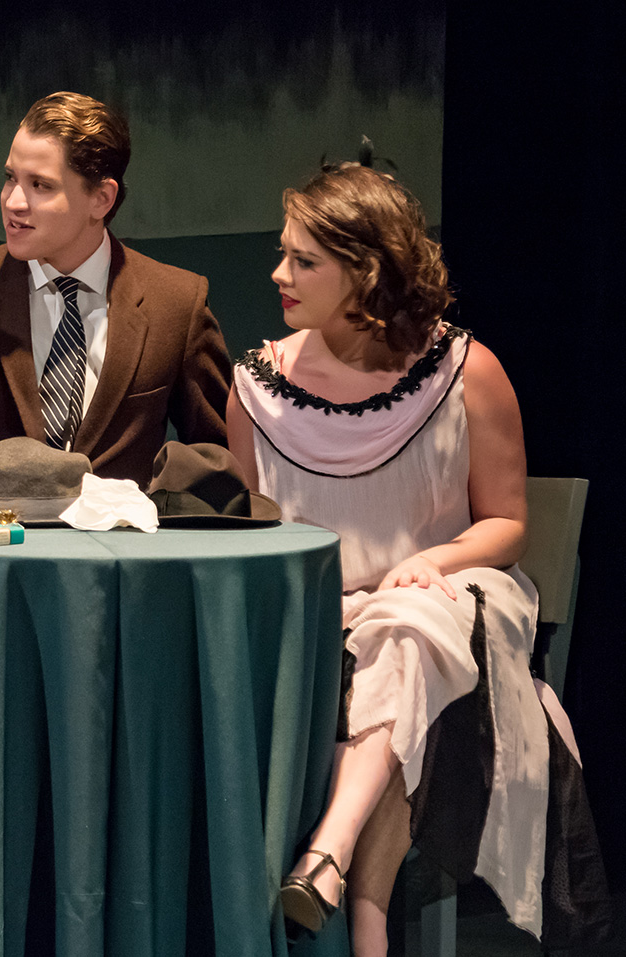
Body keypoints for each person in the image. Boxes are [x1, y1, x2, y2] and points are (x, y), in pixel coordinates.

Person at [226, 164, 607, 953]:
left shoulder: (468, 373)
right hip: (328, 621)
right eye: (282, 253)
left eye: (303, 260)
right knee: (385, 661)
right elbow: (258, 538)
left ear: (364, 273)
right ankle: (364, 923)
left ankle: (329, 856)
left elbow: (506, 525)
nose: (278, 274)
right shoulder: (256, 389)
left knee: (404, 624)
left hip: (458, 607)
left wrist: (434, 560)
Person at [0, 91, 230, 510]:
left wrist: (149, 502)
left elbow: (215, 452)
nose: (13, 202)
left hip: (121, 562)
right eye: (11, 177)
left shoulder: (177, 303)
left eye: (40, 186)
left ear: (101, 199)